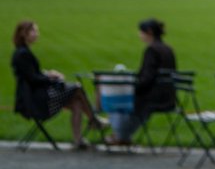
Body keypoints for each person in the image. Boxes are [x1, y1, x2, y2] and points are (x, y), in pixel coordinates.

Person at [11, 20, 105, 149]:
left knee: (77, 103)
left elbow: (31, 74)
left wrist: (48, 74)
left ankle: (78, 141)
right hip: (36, 101)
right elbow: (33, 79)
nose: (37, 34)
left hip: (37, 96)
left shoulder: (22, 52)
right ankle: (94, 120)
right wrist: (52, 78)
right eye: (34, 31)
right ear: (23, 33)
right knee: (77, 88)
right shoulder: (23, 54)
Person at [107, 19, 177, 145]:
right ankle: (122, 135)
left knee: (115, 97)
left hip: (153, 97)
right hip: (168, 96)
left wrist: (130, 89)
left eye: (141, 32)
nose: (139, 35)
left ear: (149, 32)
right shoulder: (168, 49)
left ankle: (121, 134)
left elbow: (146, 79)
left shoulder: (152, 50)